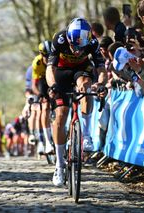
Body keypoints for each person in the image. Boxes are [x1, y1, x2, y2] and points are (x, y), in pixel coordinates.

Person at [46, 18, 107, 186]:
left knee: (86, 86)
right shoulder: (59, 39)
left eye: (81, 48)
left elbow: (102, 70)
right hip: (61, 72)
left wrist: (100, 84)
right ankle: (59, 164)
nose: (76, 51)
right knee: (61, 115)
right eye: (73, 46)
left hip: (81, 70)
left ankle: (86, 135)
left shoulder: (93, 42)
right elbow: (49, 68)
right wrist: (52, 86)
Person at [31, 40, 54, 155]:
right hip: (42, 81)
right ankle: (47, 141)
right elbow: (34, 85)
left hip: (54, 78)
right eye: (46, 56)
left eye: (50, 56)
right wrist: (39, 94)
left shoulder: (55, 59)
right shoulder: (37, 63)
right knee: (44, 107)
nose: (48, 58)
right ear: (41, 54)